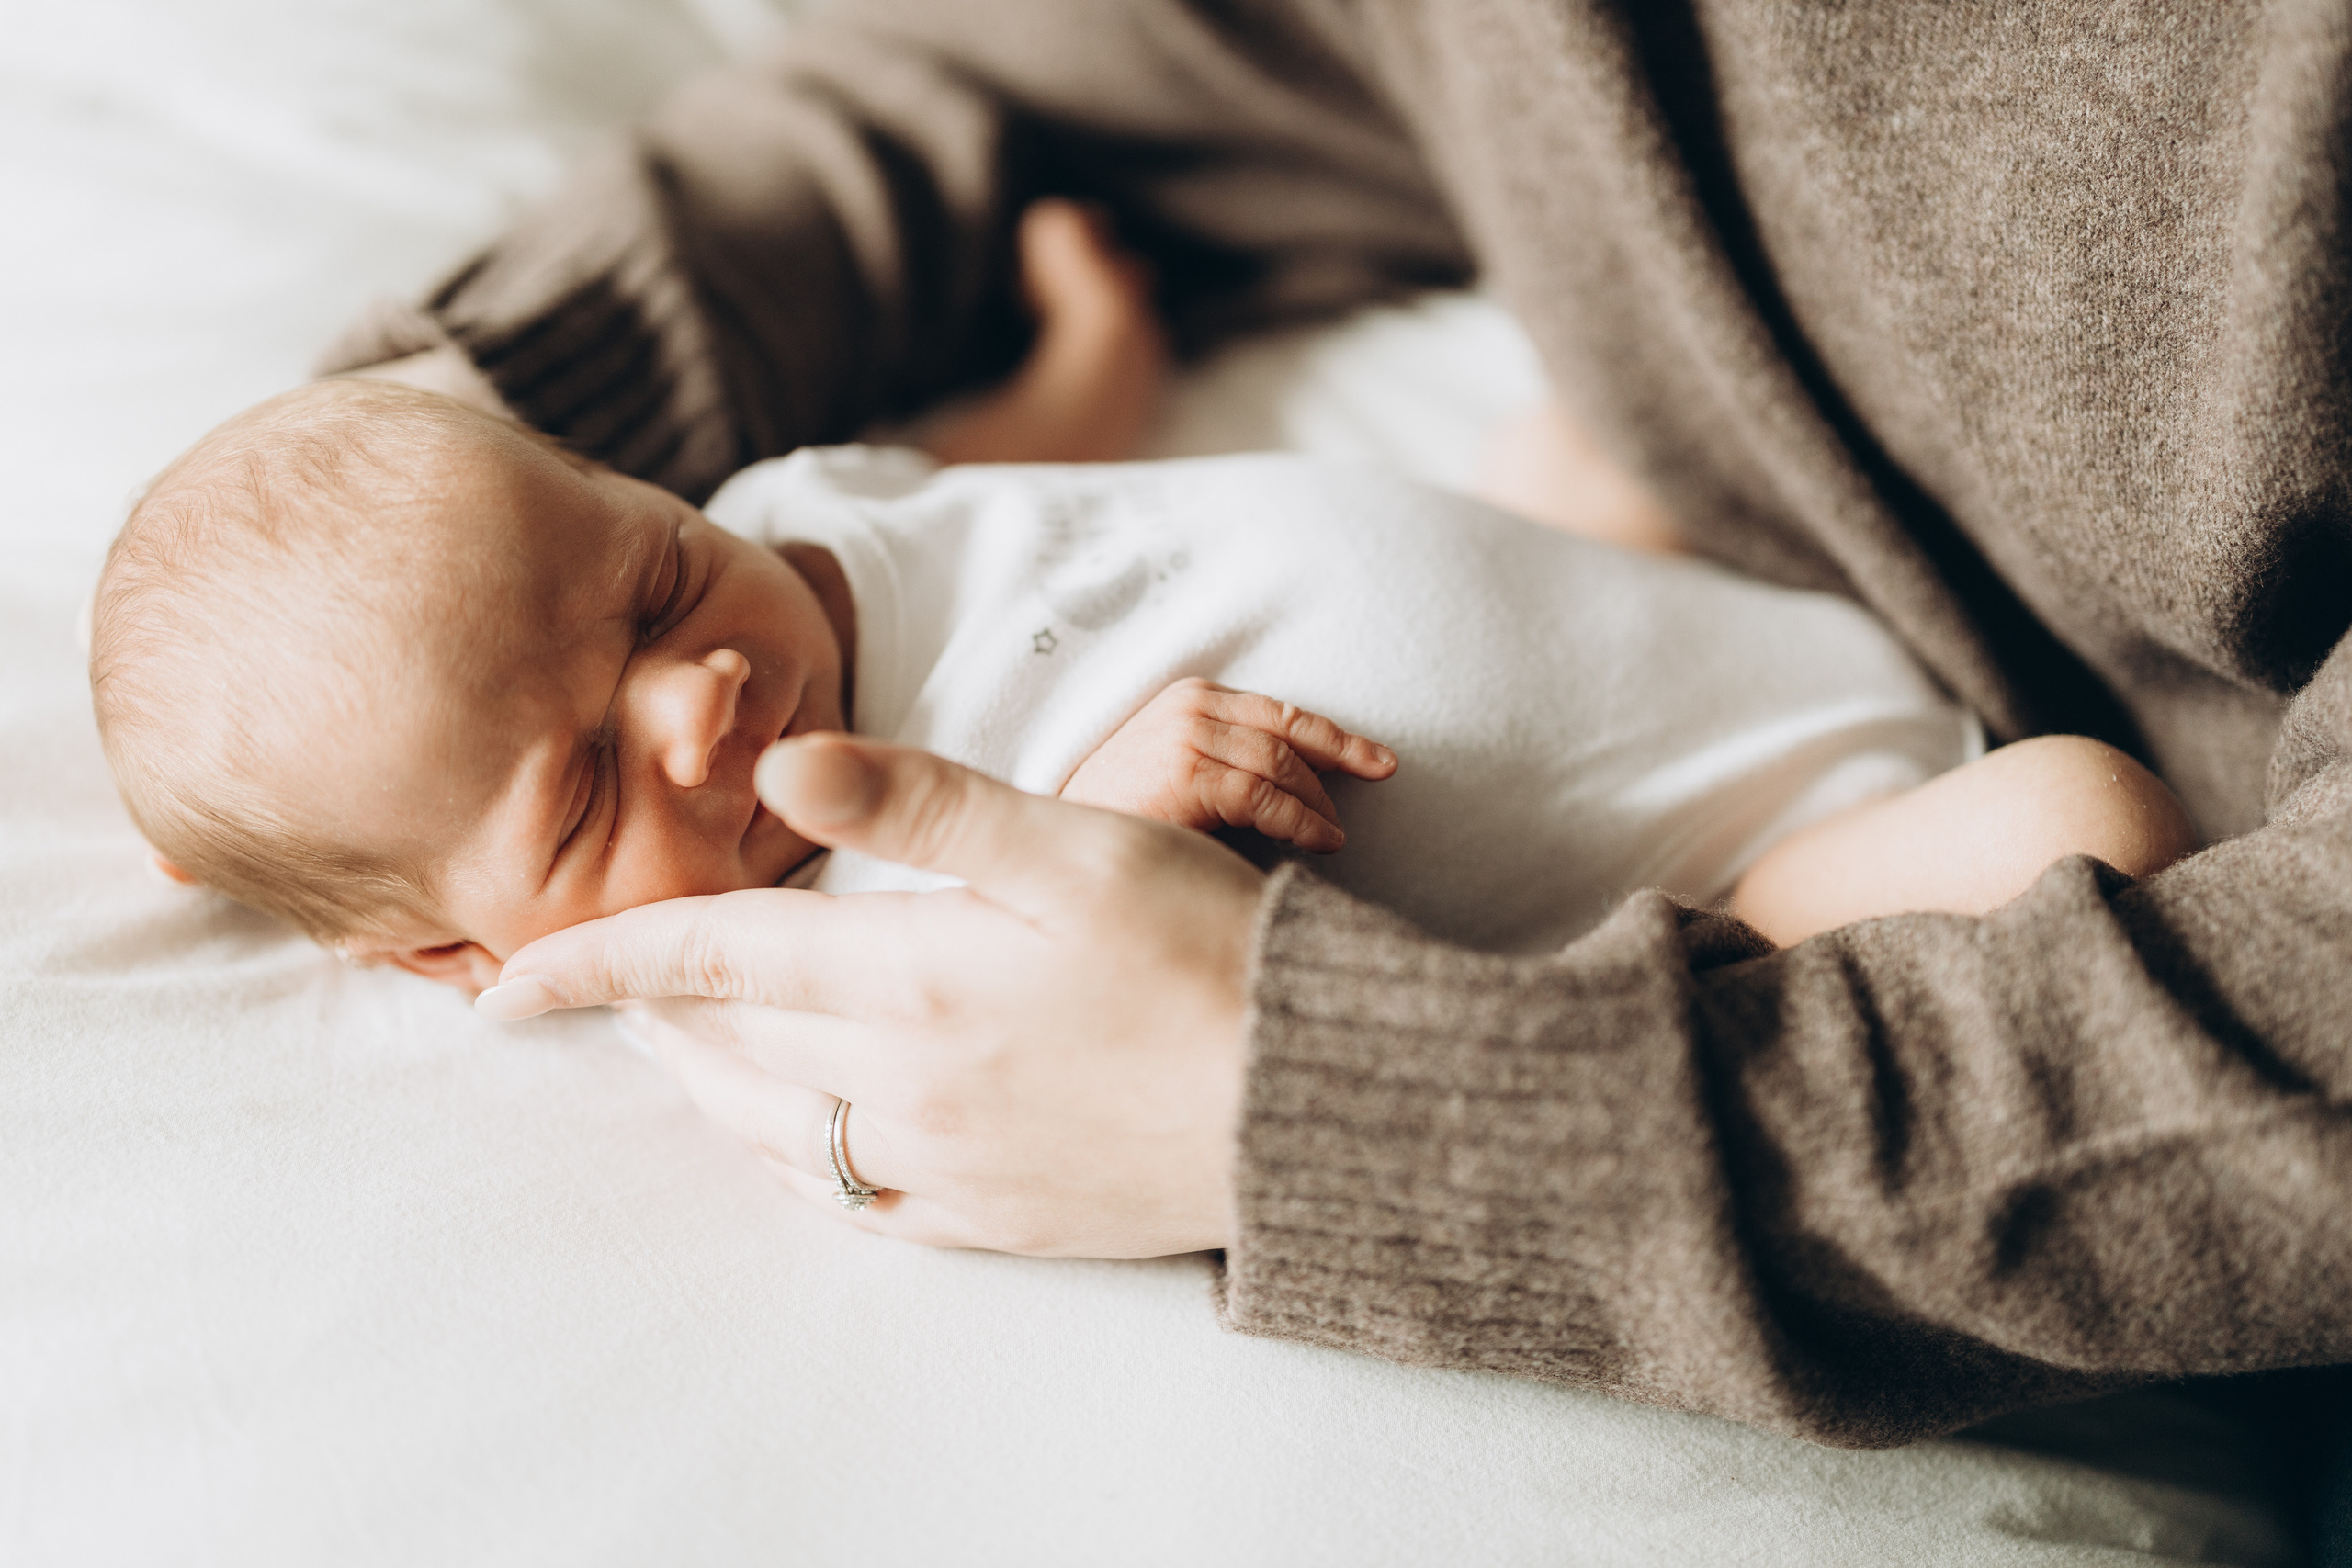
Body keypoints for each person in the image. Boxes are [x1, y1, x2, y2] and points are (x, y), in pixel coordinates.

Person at [320, 0, 2352, 1455]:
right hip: (1711, 856)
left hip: (1775, 681)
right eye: (585, 772)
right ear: (451, 947)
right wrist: (431, 453)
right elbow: (1046, 63)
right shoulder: (753, 915)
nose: (698, 695)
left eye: (660, 583)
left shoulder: (770, 541)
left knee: (2067, 794)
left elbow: (945, 486)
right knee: (2032, 804)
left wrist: (1327, 1115)